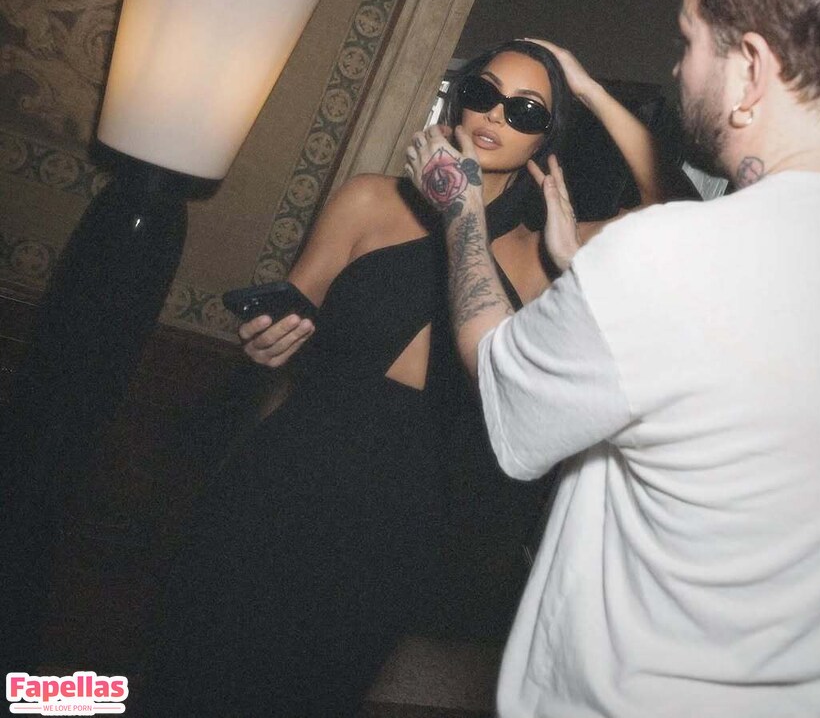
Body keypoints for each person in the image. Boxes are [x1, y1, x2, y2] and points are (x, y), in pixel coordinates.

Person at [405, 0, 820, 718]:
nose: (678, 67)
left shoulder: (672, 258)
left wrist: (461, 212)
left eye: (689, 42)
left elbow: (496, 371)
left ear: (751, 70)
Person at [144, 38, 662, 718]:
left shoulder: (549, 254)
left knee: (309, 692)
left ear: (546, 138)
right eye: (483, 92)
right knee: (192, 669)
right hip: (285, 472)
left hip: (407, 515)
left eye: (526, 110)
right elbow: (296, 309)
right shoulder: (368, 200)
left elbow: (668, 205)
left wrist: (588, 87)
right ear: (458, 99)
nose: (495, 114)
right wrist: (270, 342)